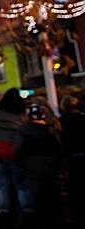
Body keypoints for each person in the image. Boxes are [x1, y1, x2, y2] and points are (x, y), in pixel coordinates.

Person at [0, 87, 31, 228]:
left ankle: (3, 213)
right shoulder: (20, 113)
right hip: (10, 149)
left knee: (1, 184)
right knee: (20, 185)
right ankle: (26, 212)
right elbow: (24, 131)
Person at [13, 103, 63, 229]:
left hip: (33, 166)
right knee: (53, 195)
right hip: (51, 166)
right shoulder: (51, 129)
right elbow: (59, 148)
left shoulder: (23, 130)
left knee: (37, 197)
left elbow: (17, 150)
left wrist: (22, 164)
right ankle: (55, 221)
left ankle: (41, 221)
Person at [60, 95, 85, 228]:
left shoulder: (62, 121)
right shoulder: (82, 118)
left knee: (75, 189)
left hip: (71, 157)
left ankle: (77, 217)